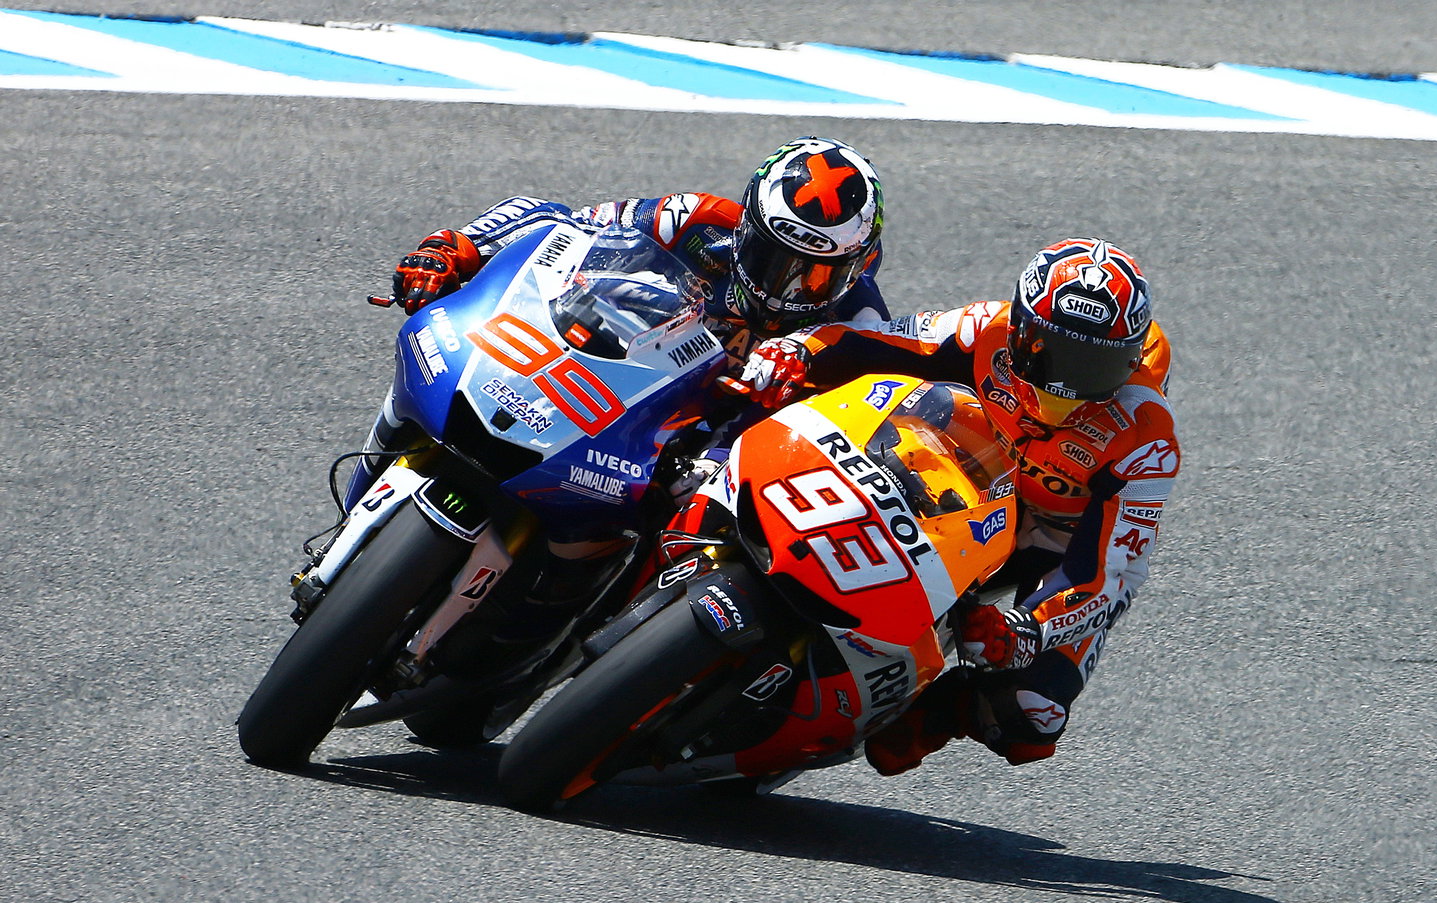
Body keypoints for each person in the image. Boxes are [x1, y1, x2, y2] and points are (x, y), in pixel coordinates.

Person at [731, 238, 1179, 775]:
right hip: (961, 483)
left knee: (1034, 718)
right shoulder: (981, 330)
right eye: (1053, 352)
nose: (1066, 383)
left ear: (1127, 364)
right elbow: (874, 341)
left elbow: (1110, 575)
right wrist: (801, 351)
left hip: (1052, 546)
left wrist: (1026, 628)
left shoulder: (1146, 440)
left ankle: (930, 705)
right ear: (1019, 328)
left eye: (1093, 366)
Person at [388, 135, 889, 357]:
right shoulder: (694, 219)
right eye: (773, 259)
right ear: (746, 226)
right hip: (615, 385)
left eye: (817, 274)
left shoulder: (864, 323)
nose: (786, 289)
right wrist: (456, 247)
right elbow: (564, 223)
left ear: (860, 264)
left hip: (707, 450)